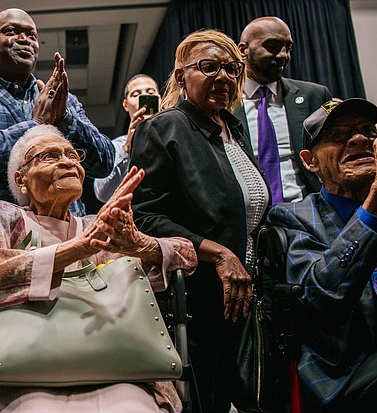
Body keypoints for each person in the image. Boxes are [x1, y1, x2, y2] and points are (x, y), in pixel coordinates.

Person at [0, 124, 197, 413]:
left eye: (73, 155)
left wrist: (140, 244)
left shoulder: (98, 226)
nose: (67, 161)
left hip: (110, 364)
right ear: (21, 180)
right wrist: (78, 249)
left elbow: (187, 256)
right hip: (11, 365)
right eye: (49, 156)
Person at [129, 29, 268, 413]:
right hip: (198, 297)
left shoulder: (234, 129)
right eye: (209, 67)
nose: (223, 77)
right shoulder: (162, 128)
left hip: (249, 294)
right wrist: (219, 254)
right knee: (209, 399)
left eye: (231, 69)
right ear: (179, 77)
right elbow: (145, 216)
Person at [0, 8, 115, 273]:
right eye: (10, 31)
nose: (24, 39)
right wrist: (37, 125)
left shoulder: (63, 102)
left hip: (65, 248)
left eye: (32, 35)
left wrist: (65, 120)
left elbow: (105, 161)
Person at [266, 94, 377, 413]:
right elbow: (324, 298)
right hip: (347, 370)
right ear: (309, 161)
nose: (360, 139)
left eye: (370, 131)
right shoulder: (293, 217)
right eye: (338, 135)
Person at [235, 16, 332, 204]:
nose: (283, 55)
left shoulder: (314, 95)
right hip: (250, 217)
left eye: (288, 48)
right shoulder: (224, 104)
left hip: (309, 211)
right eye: (272, 46)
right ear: (243, 50)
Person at [94, 74, 159, 202]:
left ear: (159, 99)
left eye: (150, 92)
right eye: (135, 94)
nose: (143, 97)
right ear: (125, 104)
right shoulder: (116, 147)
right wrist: (126, 150)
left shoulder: (174, 135)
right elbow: (102, 194)